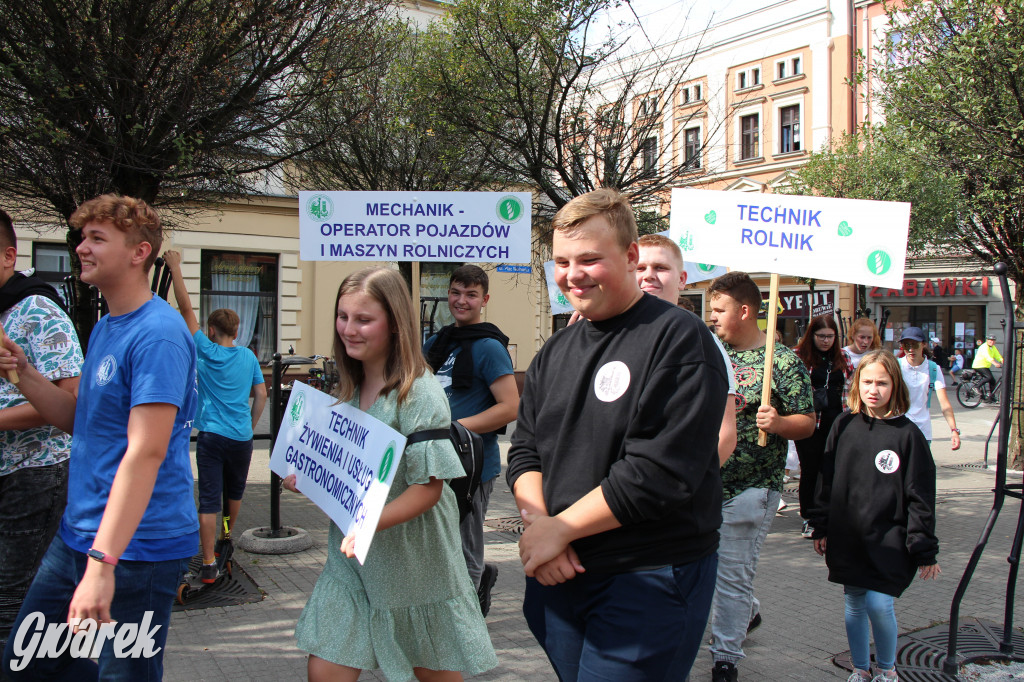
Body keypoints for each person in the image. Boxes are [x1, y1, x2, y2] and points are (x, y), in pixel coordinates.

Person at [507, 189, 727, 680]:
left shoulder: (680, 338)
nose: (573, 274)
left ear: (630, 256)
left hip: (646, 575)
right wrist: (542, 528)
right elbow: (525, 452)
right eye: (562, 261)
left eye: (589, 259)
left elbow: (658, 472)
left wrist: (559, 530)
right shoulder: (554, 350)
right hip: (561, 571)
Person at [0, 195, 198, 680]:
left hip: (138, 548)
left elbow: (146, 452)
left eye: (96, 238)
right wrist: (22, 371)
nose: (81, 248)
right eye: (82, 237)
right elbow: (82, 420)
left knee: (123, 675)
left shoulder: (158, 334)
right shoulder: (109, 325)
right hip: (79, 533)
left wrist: (102, 564)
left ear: (138, 252)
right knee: (26, 665)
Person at [284, 266, 496, 682]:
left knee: (433, 673)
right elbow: (347, 472)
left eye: (364, 319)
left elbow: (428, 490)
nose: (349, 329)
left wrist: (368, 523)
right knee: (324, 669)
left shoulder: (419, 391)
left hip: (414, 561)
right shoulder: (347, 385)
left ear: (395, 323)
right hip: (352, 559)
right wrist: (308, 475)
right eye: (343, 316)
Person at [707, 271, 815, 682]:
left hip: (752, 487)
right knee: (712, 569)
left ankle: (725, 659)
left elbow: (808, 422)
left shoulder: (782, 361)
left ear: (745, 311)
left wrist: (780, 422)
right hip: (706, 482)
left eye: (719, 310)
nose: (712, 317)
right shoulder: (711, 354)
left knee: (732, 573)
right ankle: (747, 612)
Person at [808, 350, 941, 682]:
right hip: (849, 537)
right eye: (867, 382)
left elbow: (921, 497)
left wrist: (924, 548)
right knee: (854, 603)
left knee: (879, 605)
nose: (873, 389)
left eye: (882, 383)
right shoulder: (843, 425)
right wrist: (821, 526)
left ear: (895, 385)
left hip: (889, 539)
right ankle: (860, 669)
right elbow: (826, 480)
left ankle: (887, 670)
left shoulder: (908, 435)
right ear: (856, 384)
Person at [0, 210, 84, 658]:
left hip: (34, 472)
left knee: (13, 599)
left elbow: (69, 400)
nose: (85, 250)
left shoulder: (38, 309)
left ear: (9, 256)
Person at [164, 250, 268, 583]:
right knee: (233, 494)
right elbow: (261, 395)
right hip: (241, 439)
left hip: (211, 437)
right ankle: (226, 536)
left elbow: (186, 309)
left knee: (209, 499)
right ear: (236, 331)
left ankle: (208, 561)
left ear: (211, 330)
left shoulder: (205, 350)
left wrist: (175, 268)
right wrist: (249, 426)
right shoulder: (249, 357)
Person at [423, 264, 518, 616]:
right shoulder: (437, 342)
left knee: (465, 547)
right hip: (434, 461)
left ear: (485, 300)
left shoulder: (489, 347)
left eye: (471, 295)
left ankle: (467, 623)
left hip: (472, 465)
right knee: (437, 544)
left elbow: (510, 407)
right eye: (456, 292)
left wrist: (454, 429)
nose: (462, 301)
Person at [636, 233, 737, 463]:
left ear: (682, 279)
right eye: (640, 268)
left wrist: (686, 481)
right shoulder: (612, 333)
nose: (649, 275)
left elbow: (725, 435)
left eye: (660, 267)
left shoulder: (700, 340)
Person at [793, 315, 852, 539]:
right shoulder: (800, 355)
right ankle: (809, 516)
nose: (826, 341)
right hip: (809, 422)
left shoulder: (843, 357)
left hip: (836, 420)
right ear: (812, 335)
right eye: (821, 336)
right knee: (810, 469)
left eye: (830, 336)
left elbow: (850, 387)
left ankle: (829, 514)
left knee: (832, 469)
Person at [897, 327, 960, 451]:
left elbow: (944, 404)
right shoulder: (895, 366)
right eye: (906, 345)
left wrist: (954, 430)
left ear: (923, 344)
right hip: (898, 429)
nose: (911, 349)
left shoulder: (933, 369)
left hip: (922, 432)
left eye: (915, 345)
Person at [971, 334, 1003, 402]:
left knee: (993, 381)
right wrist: (995, 364)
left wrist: (1003, 361)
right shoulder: (984, 347)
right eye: (990, 340)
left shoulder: (993, 347)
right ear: (987, 340)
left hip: (985, 366)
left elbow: (998, 356)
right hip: (979, 365)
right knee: (989, 377)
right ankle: (976, 387)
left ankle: (991, 397)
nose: (992, 342)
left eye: (993, 340)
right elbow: (988, 357)